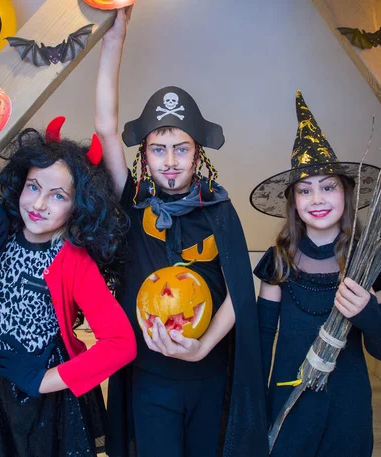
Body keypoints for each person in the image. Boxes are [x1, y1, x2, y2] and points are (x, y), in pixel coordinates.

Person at [95, 9, 267, 457]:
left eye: (180, 149)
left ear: (197, 154)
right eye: (158, 149)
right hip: (150, 376)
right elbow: (106, 130)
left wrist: (203, 347)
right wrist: (115, 39)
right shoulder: (131, 204)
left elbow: (239, 293)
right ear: (145, 156)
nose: (169, 160)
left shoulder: (220, 209)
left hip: (209, 372)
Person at [0, 118, 136, 457]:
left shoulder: (73, 260)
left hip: (38, 393)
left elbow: (121, 344)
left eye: (58, 196)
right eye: (33, 187)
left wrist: (43, 381)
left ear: (78, 205)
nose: (38, 205)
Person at [250, 90, 381, 457]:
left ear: (346, 193)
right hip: (289, 399)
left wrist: (366, 312)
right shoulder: (279, 260)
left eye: (328, 186)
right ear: (294, 203)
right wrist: (255, 403)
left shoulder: (370, 264)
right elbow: (262, 335)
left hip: (346, 409)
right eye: (305, 190)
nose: (317, 199)